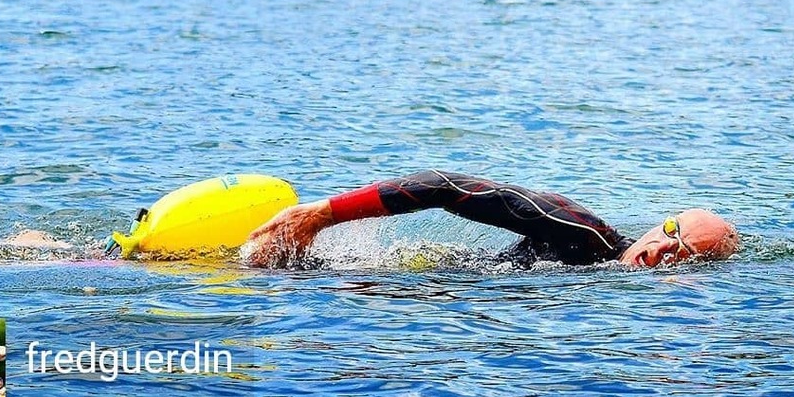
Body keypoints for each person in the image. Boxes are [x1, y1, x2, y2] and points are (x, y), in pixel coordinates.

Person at [244, 169, 739, 269]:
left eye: (684, 260)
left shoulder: (602, 275)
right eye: (673, 235)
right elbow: (443, 186)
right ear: (658, 226)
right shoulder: (581, 232)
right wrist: (320, 215)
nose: (663, 253)